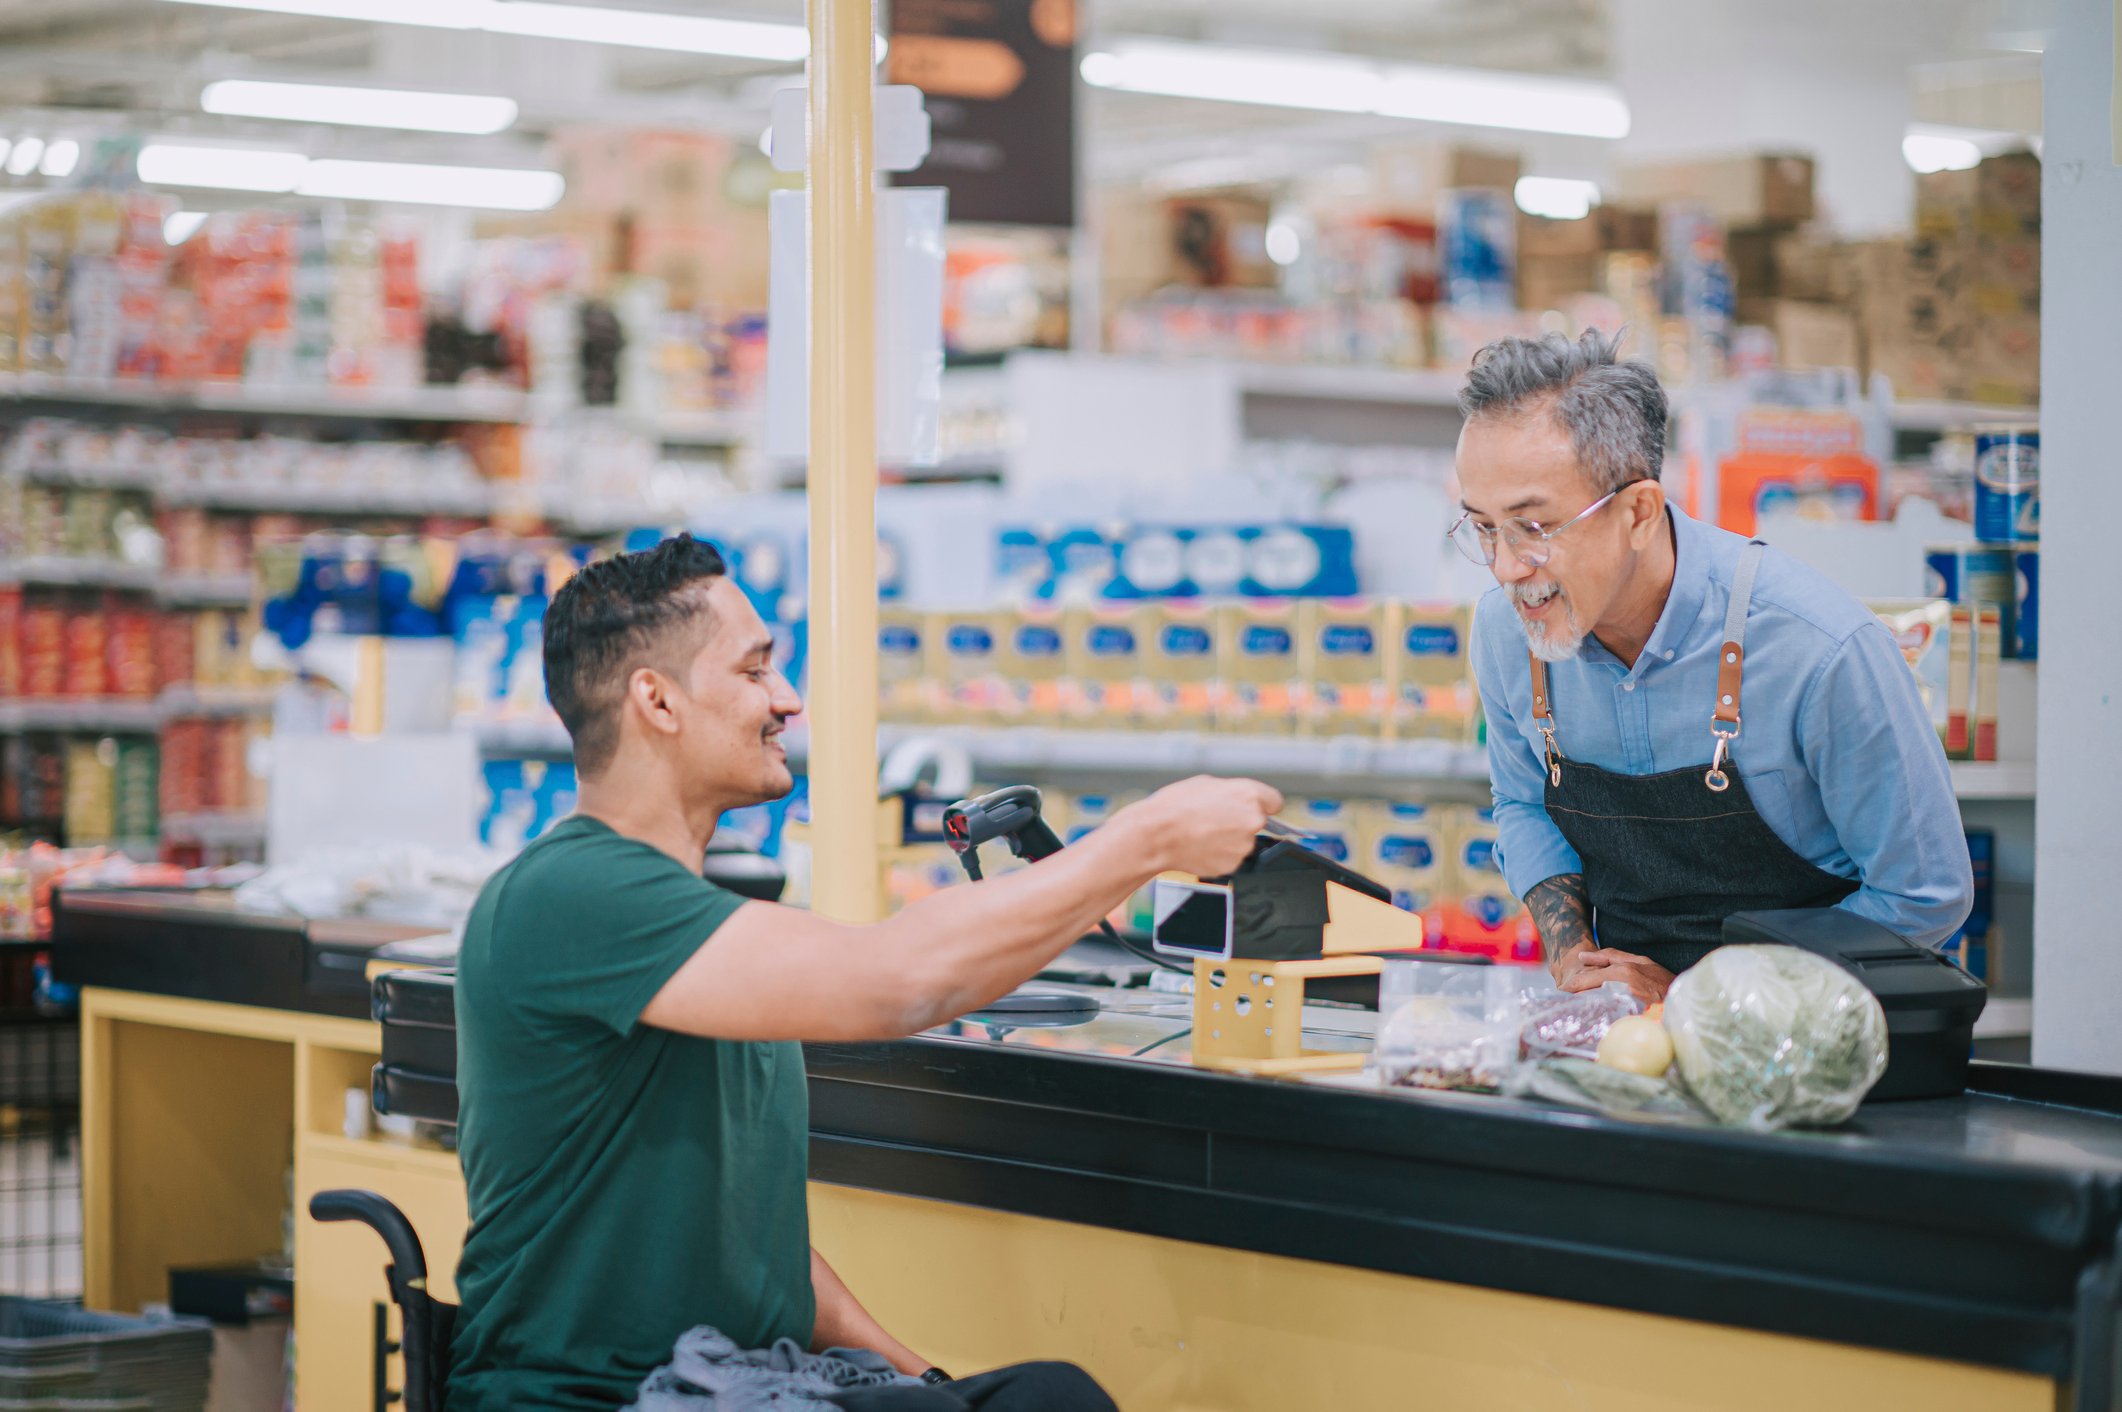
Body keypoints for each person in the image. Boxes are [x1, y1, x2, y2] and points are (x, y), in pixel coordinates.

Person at [445, 534, 1280, 1411]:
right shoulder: (571, 892)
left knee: (1041, 1395)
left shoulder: (690, 921)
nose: (787, 699)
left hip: (731, 1382)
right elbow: (901, 980)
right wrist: (1147, 840)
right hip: (588, 1400)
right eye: (756, 670)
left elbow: (748, 1252)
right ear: (656, 700)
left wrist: (929, 1379)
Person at [1453, 330, 1972, 1005]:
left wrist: (1700, 1002)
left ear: (1638, 511)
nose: (1505, 567)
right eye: (1483, 528)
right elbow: (1524, 803)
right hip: (1629, 1041)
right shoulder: (1505, 633)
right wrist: (1575, 957)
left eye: (1535, 527)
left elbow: (1925, 895)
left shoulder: (1818, 649)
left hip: (1822, 1049)